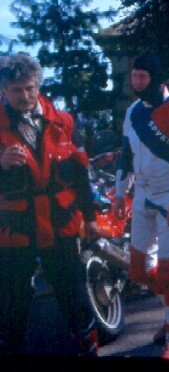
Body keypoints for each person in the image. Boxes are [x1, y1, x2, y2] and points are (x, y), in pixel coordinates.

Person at [0, 53, 101, 357]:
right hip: (15, 227)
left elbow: (81, 174)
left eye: (29, 88)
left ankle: (87, 344)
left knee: (73, 289)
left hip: (60, 222)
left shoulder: (64, 121)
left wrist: (91, 217)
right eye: (16, 89)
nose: (24, 95)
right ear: (3, 90)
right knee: (12, 298)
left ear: (38, 86)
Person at [112, 53, 169, 361]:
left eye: (143, 77)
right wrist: (119, 194)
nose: (137, 82)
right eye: (134, 77)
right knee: (139, 272)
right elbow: (126, 154)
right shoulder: (133, 111)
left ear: (156, 78)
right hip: (142, 194)